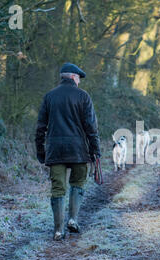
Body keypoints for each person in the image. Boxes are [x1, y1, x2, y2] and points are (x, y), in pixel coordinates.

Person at [35, 62, 101, 240]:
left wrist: (40, 151)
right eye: (79, 78)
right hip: (78, 150)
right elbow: (91, 127)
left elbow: (41, 127)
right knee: (77, 184)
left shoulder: (49, 96)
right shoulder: (83, 96)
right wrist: (96, 151)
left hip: (55, 151)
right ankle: (72, 219)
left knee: (58, 189)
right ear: (73, 77)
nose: (79, 82)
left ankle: (58, 230)